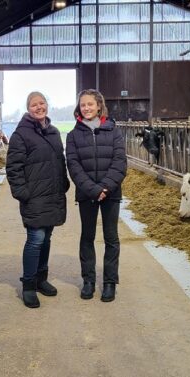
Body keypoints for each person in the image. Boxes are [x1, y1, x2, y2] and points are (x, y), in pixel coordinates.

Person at [6, 91, 70, 308]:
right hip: (34, 197)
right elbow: (13, 168)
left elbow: (59, 160)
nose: (39, 107)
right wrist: (23, 193)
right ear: (28, 108)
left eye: (42, 103)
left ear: (47, 105)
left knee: (47, 238)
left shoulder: (53, 132)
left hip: (52, 195)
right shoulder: (20, 135)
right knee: (35, 239)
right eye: (34, 104)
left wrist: (64, 182)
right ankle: (29, 286)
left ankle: (42, 279)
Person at [66, 89, 127, 302]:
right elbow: (73, 165)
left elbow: (120, 162)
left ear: (99, 106)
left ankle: (110, 282)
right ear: (79, 108)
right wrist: (93, 190)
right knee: (87, 236)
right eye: (83, 105)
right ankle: (89, 280)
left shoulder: (113, 131)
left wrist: (106, 188)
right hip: (87, 193)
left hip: (111, 193)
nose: (87, 108)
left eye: (90, 104)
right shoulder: (73, 135)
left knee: (111, 238)